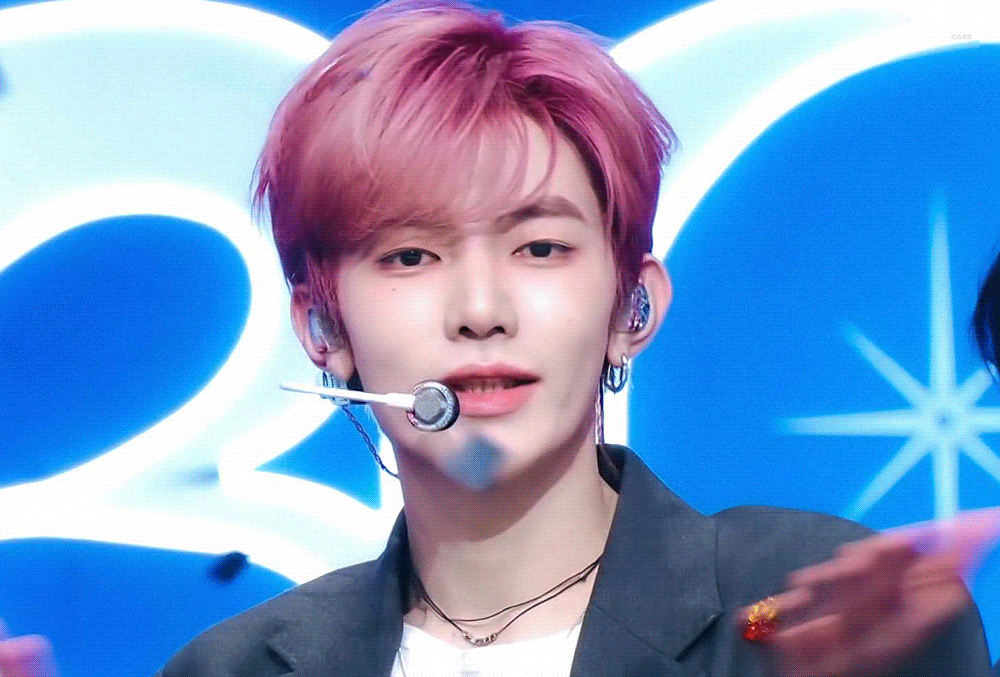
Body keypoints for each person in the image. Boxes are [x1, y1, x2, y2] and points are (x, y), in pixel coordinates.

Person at [0, 1, 994, 675]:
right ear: (322, 328)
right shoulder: (235, 666)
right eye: (410, 256)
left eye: (540, 247)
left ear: (632, 307)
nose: (480, 307)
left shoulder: (790, 605)